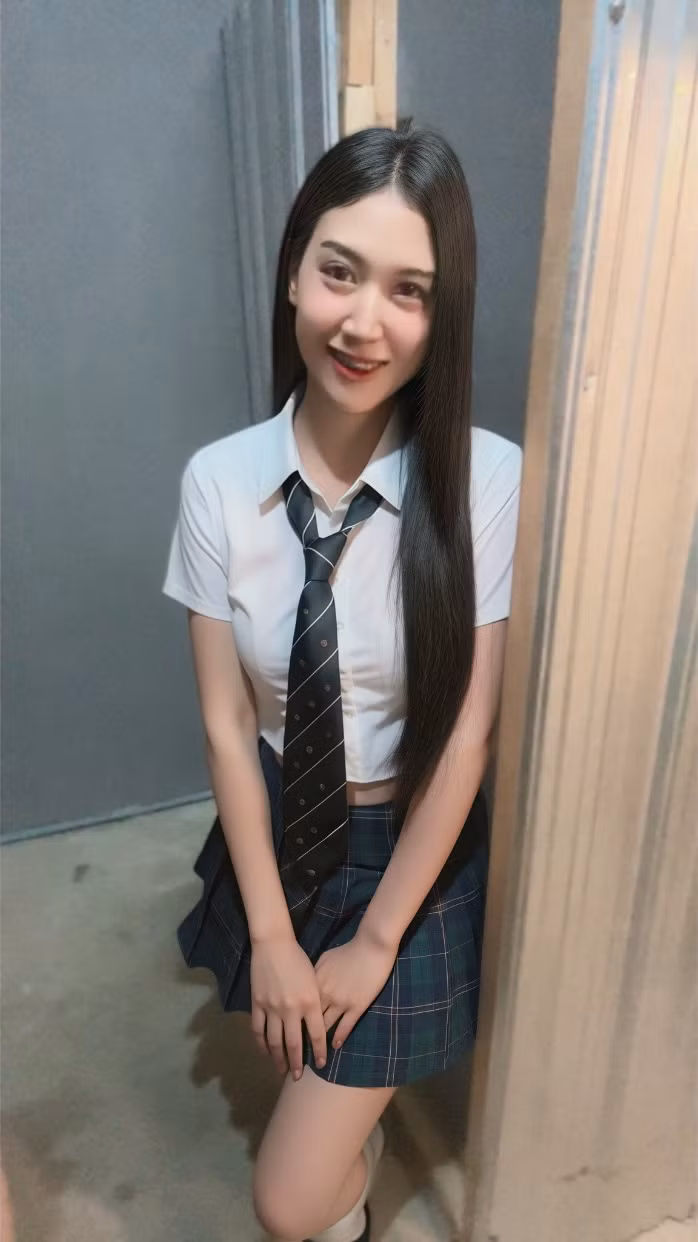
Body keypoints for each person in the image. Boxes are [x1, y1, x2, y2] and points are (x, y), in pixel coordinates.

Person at [163, 123, 522, 1242]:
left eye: (409, 291)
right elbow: (228, 723)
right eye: (339, 271)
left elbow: (465, 739)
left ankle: (342, 1184)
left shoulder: (487, 481)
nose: (364, 322)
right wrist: (273, 937)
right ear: (294, 273)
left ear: (442, 316)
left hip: (410, 852)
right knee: (296, 1059)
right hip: (279, 827)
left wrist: (373, 942)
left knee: (286, 1203)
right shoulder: (219, 483)